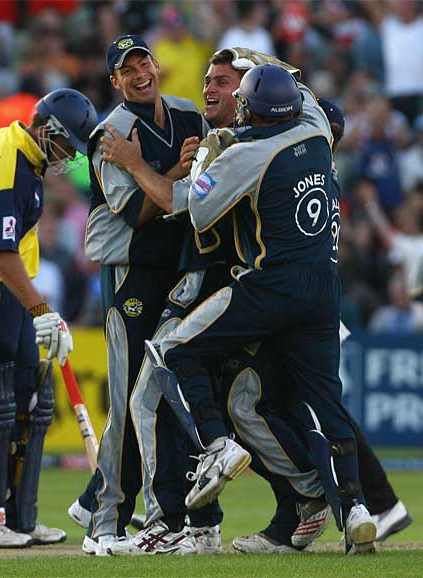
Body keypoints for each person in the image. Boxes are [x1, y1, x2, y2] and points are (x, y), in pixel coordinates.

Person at [156, 63, 377, 554]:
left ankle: (217, 446)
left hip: (271, 284)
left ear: (251, 109)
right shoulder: (318, 129)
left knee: (178, 351)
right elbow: (304, 92)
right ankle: (356, 507)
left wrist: (210, 156)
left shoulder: (248, 154)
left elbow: (199, 210)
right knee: (327, 401)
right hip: (324, 287)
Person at [0, 88, 98, 547]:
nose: (70, 157)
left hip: (1, 287)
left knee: (33, 397)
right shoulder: (12, 166)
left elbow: (15, 250)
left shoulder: (17, 148)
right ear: (47, 131)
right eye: (67, 146)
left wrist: (41, 309)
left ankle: (20, 518)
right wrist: (41, 308)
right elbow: (0, 252)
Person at [72, 34, 208, 556]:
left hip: (177, 266)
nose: (139, 72)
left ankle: (170, 512)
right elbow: (140, 213)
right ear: (114, 81)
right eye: (127, 69)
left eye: (143, 61)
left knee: (164, 396)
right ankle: (104, 520)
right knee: (131, 398)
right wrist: (161, 169)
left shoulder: (187, 114)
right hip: (130, 271)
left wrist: (167, 174)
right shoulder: (111, 134)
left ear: (156, 64)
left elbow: (202, 185)